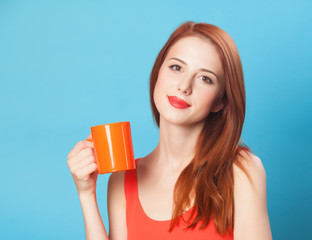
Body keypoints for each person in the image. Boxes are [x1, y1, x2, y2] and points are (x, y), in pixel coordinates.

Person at [67, 21, 272, 240]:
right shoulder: (122, 180)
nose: (184, 86)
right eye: (176, 67)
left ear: (220, 101)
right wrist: (86, 194)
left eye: (205, 78)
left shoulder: (241, 171)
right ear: (158, 73)